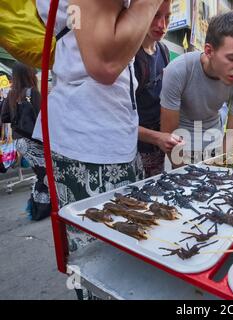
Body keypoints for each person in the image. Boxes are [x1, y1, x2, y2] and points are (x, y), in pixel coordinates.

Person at [34, 0, 164, 249]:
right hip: (91, 138)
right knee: (104, 256)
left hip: (101, 135)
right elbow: (104, 64)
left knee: (118, 251)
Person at [160, 11, 233, 164]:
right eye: (232, 58)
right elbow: (169, 134)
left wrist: (219, 165)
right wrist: (183, 173)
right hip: (179, 149)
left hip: (215, 146)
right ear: (209, 51)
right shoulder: (178, 70)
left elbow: (231, 135)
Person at [134, 0, 183, 177]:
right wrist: (156, 136)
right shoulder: (130, 53)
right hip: (133, 149)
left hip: (159, 148)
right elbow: (118, 119)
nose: (161, 25)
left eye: (167, 17)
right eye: (155, 15)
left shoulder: (163, 51)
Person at [1, 62, 50, 221]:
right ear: (29, 74)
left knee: (41, 173)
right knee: (46, 173)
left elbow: (4, 118)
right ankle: (41, 209)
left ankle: (39, 206)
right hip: (35, 140)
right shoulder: (33, 92)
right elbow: (42, 116)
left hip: (20, 142)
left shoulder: (11, 94)